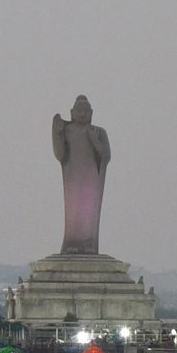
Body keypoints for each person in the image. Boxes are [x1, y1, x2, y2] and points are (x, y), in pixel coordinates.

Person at [52, 95, 111, 254]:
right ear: (72, 112)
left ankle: (89, 245)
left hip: (91, 176)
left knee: (88, 212)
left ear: (91, 113)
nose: (83, 114)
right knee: (74, 213)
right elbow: (60, 155)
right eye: (79, 111)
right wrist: (57, 134)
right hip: (72, 176)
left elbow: (106, 156)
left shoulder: (98, 132)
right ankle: (71, 244)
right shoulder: (68, 131)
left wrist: (94, 141)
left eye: (86, 111)